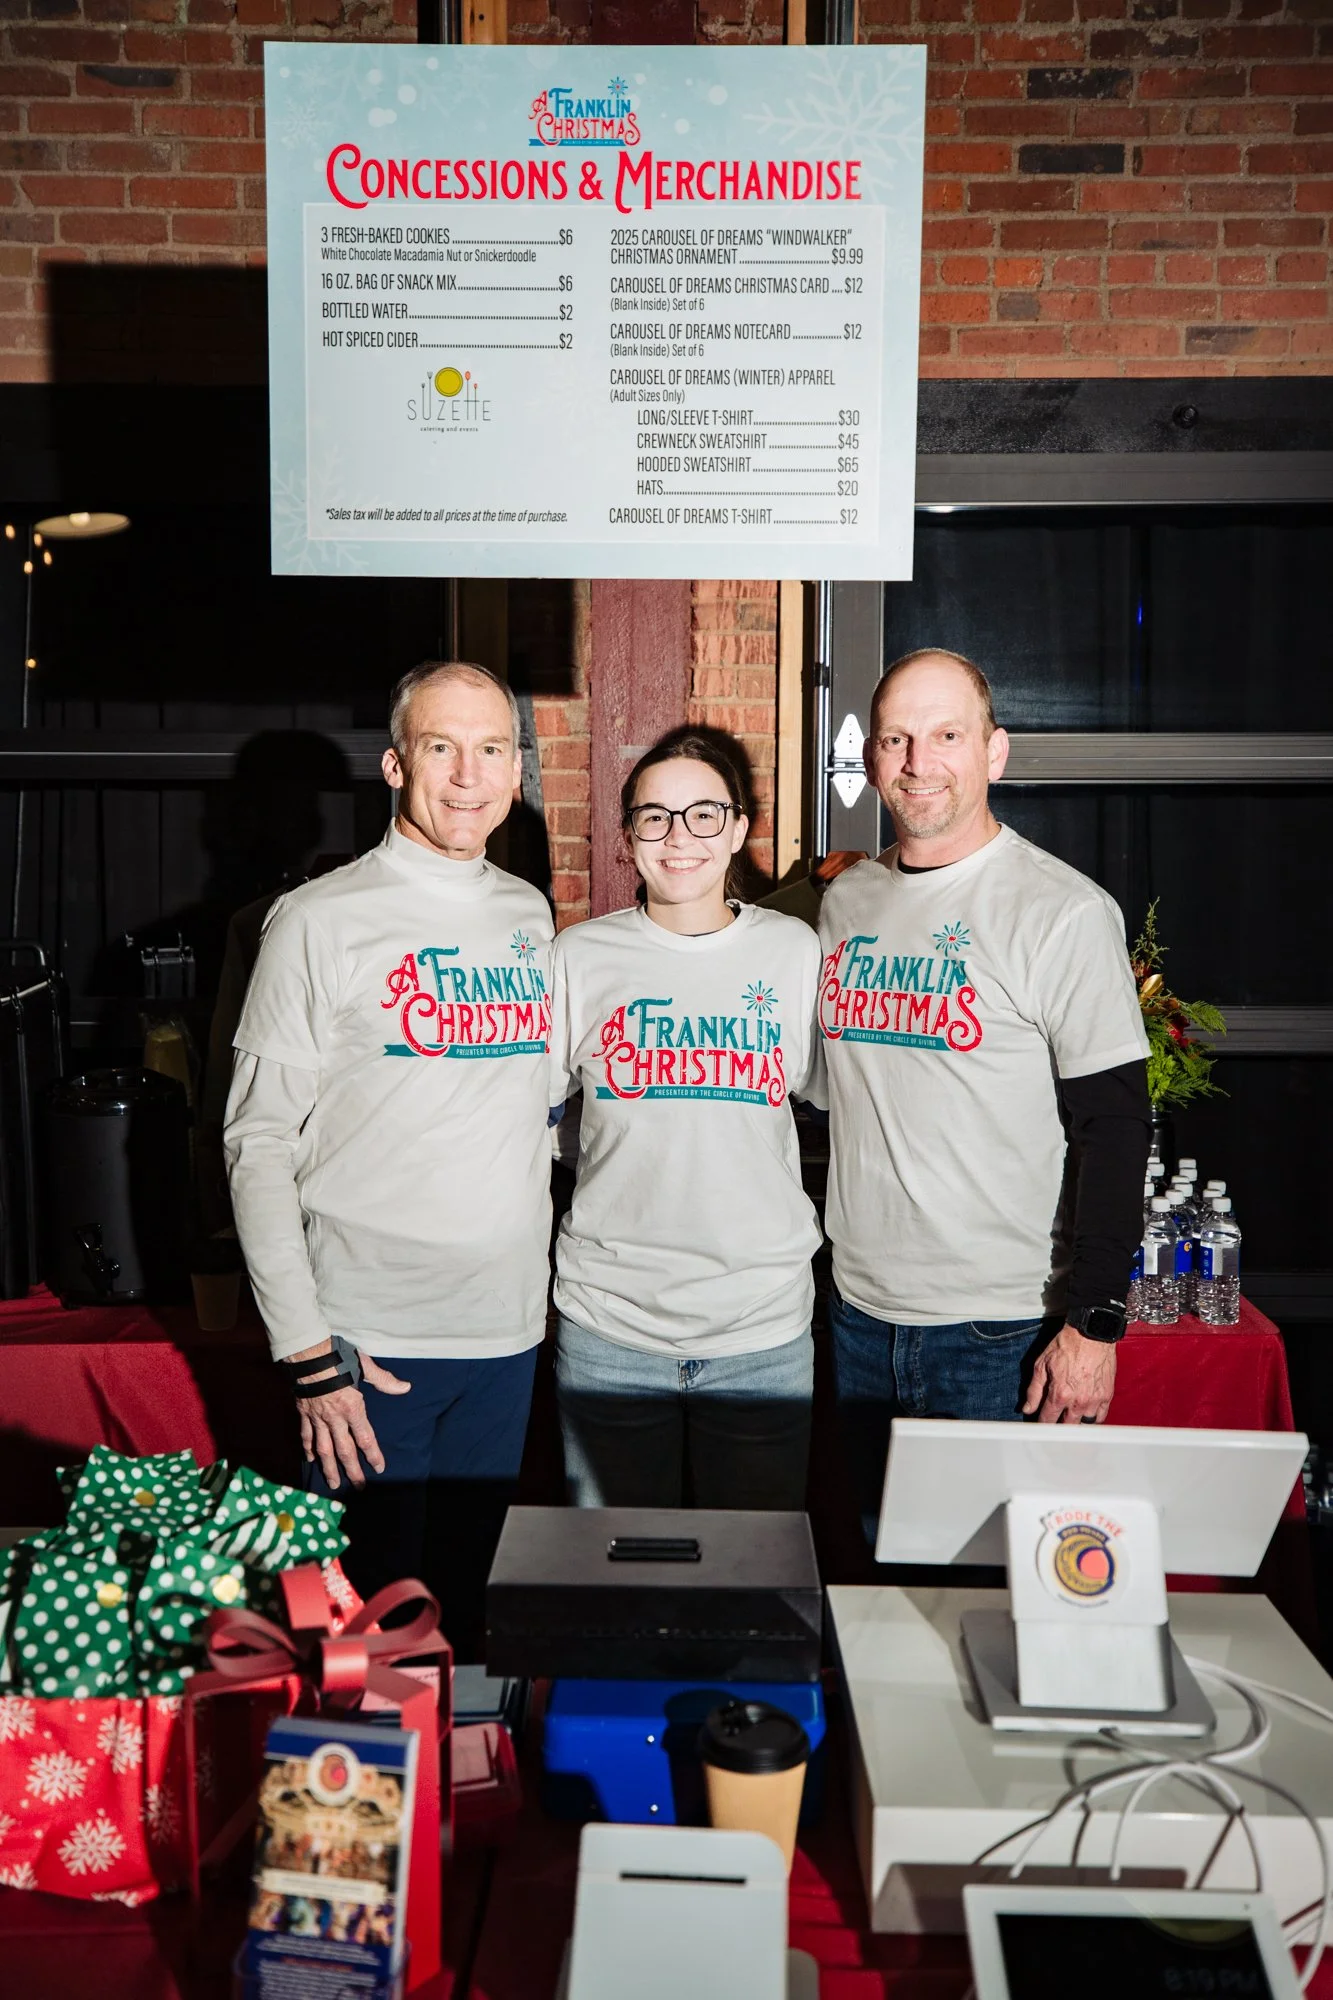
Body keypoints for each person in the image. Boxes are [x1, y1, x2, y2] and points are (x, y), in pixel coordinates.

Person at [224, 661, 554, 1653]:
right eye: (441, 747)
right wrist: (310, 1356)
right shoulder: (319, 921)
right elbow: (253, 1140)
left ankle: (464, 1807)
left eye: (492, 748)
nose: (467, 774)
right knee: (366, 1639)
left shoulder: (526, 915)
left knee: (464, 1619)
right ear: (395, 764)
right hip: (370, 1347)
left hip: (504, 1335)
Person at [815, 649, 1150, 1531]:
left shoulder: (1061, 912)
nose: (918, 762)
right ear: (872, 759)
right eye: (896, 739)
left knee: (990, 1595)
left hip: (998, 1333)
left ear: (993, 753)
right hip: (855, 1313)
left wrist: (1095, 1323)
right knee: (877, 1586)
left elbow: (1114, 1126)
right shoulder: (846, 902)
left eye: (946, 736)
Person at [549, 727, 823, 1510]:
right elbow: (539, 1119)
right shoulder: (580, 958)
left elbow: (830, 1096)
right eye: (654, 817)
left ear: (738, 829)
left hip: (759, 1331)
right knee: (613, 1586)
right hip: (609, 1328)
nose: (679, 838)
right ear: (626, 836)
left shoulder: (791, 951)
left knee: (756, 1586)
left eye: (704, 815)